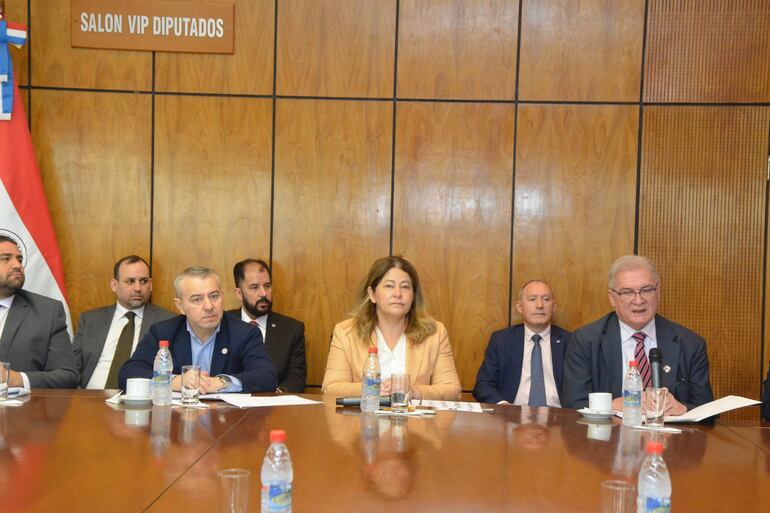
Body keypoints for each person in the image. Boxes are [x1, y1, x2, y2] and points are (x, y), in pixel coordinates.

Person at [562, 255, 714, 414]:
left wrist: (683, 409)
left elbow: (708, 411)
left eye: (647, 290)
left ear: (658, 292)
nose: (639, 300)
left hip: (668, 430)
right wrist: (613, 405)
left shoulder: (690, 344)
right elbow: (572, 405)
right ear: (612, 298)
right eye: (627, 292)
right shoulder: (586, 341)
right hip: (610, 429)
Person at [321, 255, 461, 401]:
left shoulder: (435, 333)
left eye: (405, 287)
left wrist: (414, 391)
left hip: (413, 416)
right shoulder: (346, 332)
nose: (398, 294)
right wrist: (374, 389)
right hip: (363, 415)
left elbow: (452, 390)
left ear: (413, 295)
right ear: (372, 294)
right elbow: (331, 388)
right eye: (389, 286)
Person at [118, 266, 276, 393]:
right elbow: (128, 373)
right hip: (176, 420)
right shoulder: (163, 332)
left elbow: (266, 376)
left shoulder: (244, 333)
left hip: (227, 419)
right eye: (197, 299)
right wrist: (175, 381)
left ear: (222, 296)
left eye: (214, 296)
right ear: (180, 306)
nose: (209, 306)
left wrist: (221, 382)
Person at [72, 255, 176, 389]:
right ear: (114, 285)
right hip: (90, 396)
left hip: (140, 396)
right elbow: (73, 367)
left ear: (150, 285)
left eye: (143, 281)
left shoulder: (168, 321)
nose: (138, 288)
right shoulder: (91, 319)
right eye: (130, 281)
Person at [473, 279, 570, 406]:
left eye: (546, 299)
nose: (540, 305)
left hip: (558, 415)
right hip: (511, 414)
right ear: (519, 307)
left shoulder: (570, 342)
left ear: (554, 306)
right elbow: (484, 385)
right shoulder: (501, 340)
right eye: (532, 299)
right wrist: (503, 406)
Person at [0, 235, 78, 388]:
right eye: (6, 258)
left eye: (19, 259)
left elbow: (67, 376)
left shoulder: (47, 311)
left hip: (21, 403)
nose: (17, 265)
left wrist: (18, 379)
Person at [227, 258, 306, 393]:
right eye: (255, 287)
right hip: (227, 403)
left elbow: (296, 378)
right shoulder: (224, 324)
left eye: (267, 286)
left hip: (274, 403)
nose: (263, 293)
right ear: (239, 294)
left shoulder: (292, 330)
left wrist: (274, 397)